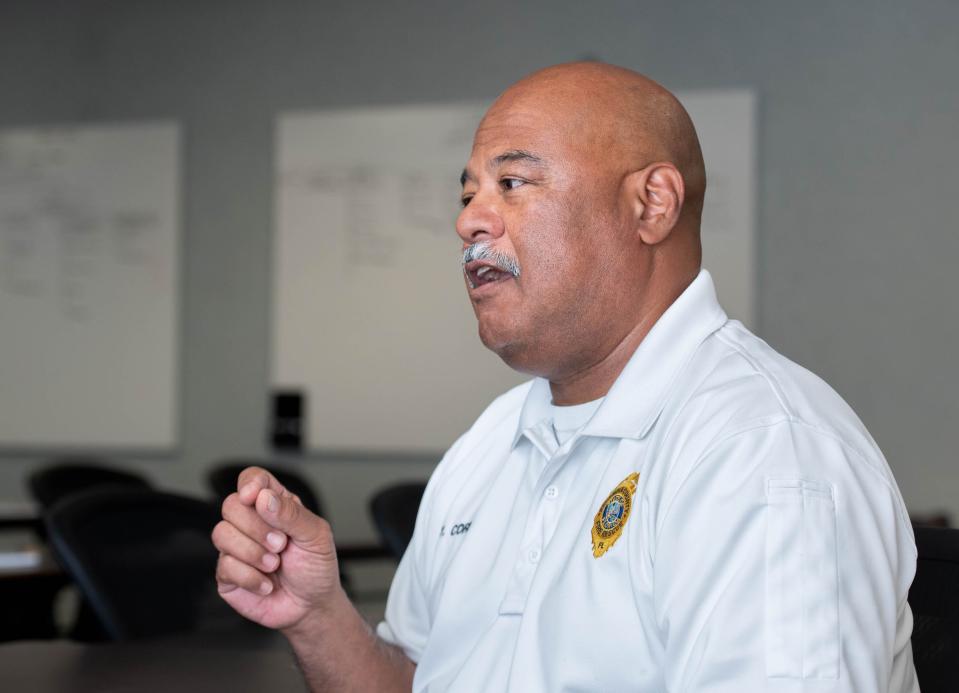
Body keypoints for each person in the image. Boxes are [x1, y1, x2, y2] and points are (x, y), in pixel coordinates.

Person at [213, 62, 918, 692]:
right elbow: (418, 681)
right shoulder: (489, 444)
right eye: (468, 192)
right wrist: (317, 616)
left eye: (512, 183)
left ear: (651, 205)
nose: (468, 220)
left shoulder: (758, 448)